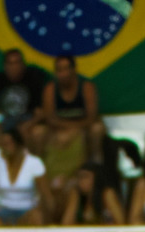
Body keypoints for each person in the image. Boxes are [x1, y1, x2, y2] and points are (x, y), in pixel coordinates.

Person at [0, 49, 50, 165]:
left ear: (22, 64)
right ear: (5, 66)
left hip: (28, 123)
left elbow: (41, 113)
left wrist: (27, 125)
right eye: (10, 63)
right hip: (7, 124)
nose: (13, 67)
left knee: (38, 132)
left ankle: (35, 172)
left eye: (16, 63)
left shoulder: (33, 78)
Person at [41, 55, 104, 195]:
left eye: (66, 69)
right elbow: (49, 118)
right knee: (38, 132)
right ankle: (40, 174)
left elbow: (92, 117)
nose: (63, 74)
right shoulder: (51, 88)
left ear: (74, 70)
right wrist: (69, 129)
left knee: (97, 129)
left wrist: (75, 129)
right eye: (59, 70)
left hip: (83, 129)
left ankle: (96, 165)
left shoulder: (86, 86)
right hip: (59, 130)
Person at [53, 162, 124, 232]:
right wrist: (74, 198)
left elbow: (121, 224)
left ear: (96, 178)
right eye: (79, 177)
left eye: (85, 177)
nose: (81, 181)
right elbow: (66, 226)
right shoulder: (76, 196)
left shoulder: (107, 194)